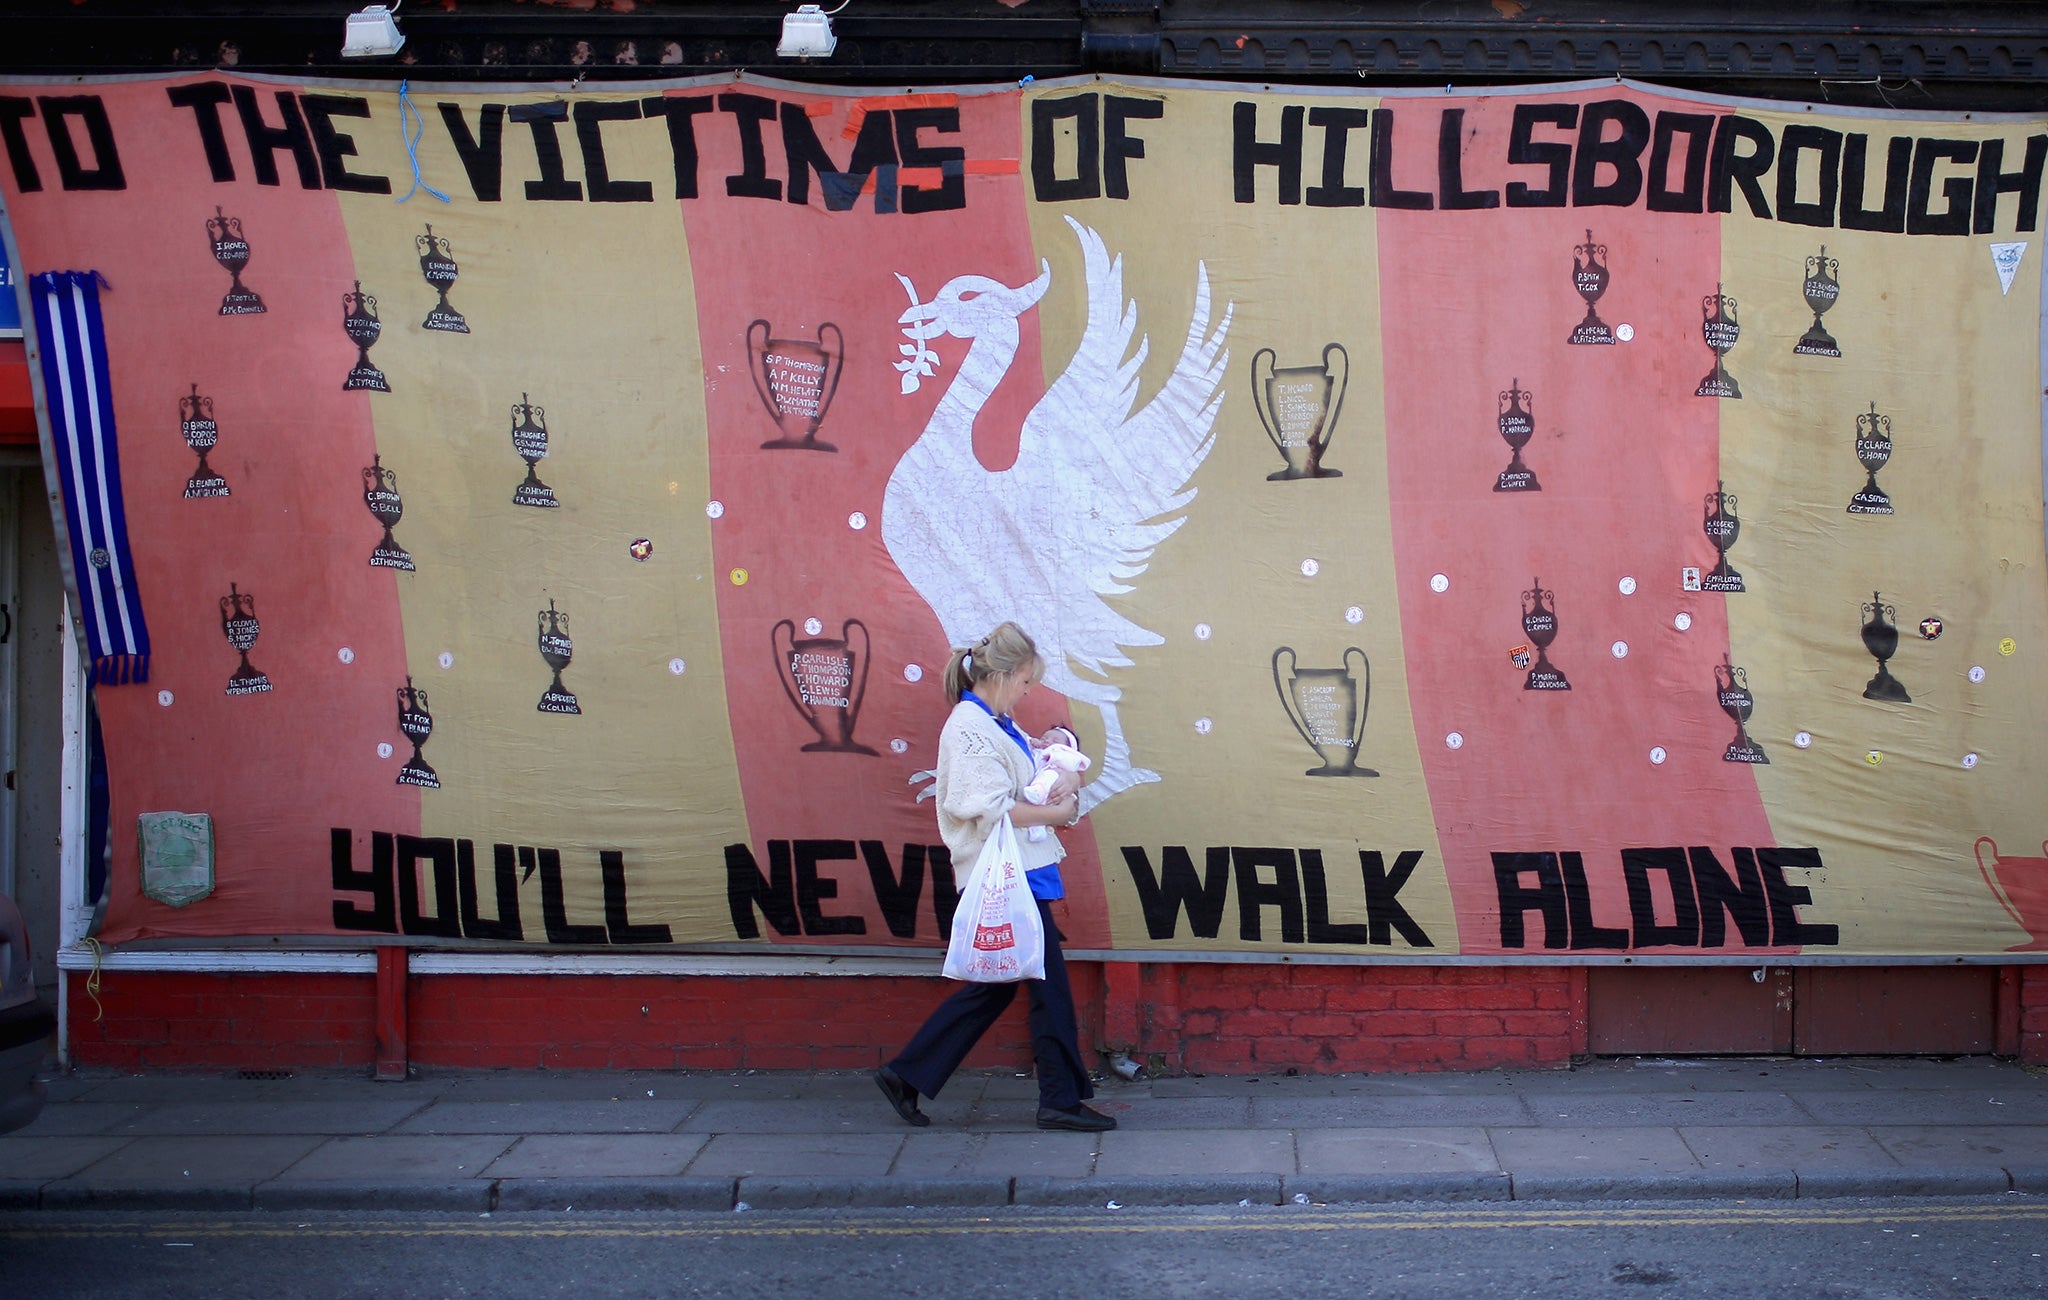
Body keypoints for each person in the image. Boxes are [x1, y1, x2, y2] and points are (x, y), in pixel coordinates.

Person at [875, 622, 1117, 1133]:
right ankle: (1060, 1101)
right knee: (1046, 988)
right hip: (1007, 877)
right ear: (1005, 675)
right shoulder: (970, 728)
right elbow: (991, 809)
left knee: (999, 986)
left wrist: (1067, 785)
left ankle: (907, 1074)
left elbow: (1051, 777)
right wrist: (1058, 811)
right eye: (1027, 682)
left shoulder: (999, 723)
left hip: (1024, 872)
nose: (1030, 692)